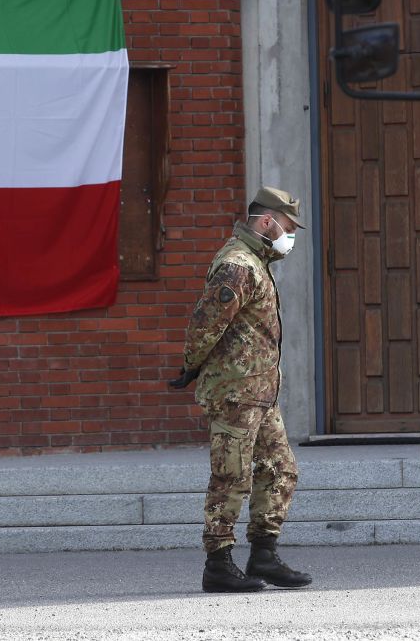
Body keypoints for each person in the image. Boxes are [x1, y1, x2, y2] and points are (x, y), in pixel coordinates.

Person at [172, 186, 312, 593]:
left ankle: (263, 555)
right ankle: (218, 563)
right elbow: (206, 323)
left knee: (280, 470)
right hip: (235, 393)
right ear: (266, 222)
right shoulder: (238, 264)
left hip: (260, 393)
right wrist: (191, 365)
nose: (289, 235)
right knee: (231, 476)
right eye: (287, 226)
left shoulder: (256, 261)